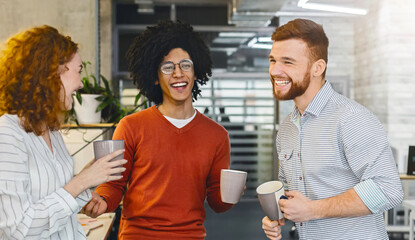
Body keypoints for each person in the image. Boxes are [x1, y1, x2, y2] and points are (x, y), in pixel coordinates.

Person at [81, 20, 233, 239]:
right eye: (168, 67)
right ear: (155, 76)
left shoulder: (217, 136)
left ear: (196, 71)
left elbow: (218, 203)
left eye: (185, 65)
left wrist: (230, 195)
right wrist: (102, 200)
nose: (178, 73)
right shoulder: (131, 126)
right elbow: (114, 183)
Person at [261, 18, 403, 240]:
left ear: (318, 67)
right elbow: (290, 188)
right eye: (273, 60)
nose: (275, 70)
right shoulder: (288, 127)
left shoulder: (351, 119)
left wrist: (313, 209)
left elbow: (388, 189)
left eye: (288, 62)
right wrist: (280, 213)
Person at [0, 25, 127, 239]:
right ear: (51, 73)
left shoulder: (50, 131)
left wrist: (86, 191)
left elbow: (54, 195)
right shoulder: (7, 135)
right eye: (77, 71)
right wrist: (82, 181)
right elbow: (19, 226)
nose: (79, 83)